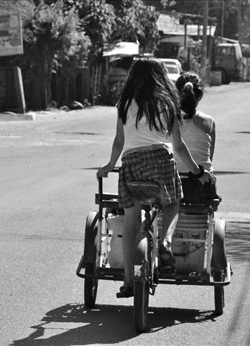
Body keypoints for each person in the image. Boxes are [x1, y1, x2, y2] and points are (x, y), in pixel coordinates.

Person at [96, 59, 213, 298]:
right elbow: (178, 146)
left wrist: (109, 165)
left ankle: (128, 280)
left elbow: (119, 141)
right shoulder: (169, 103)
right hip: (160, 161)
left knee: (131, 222)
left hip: (132, 163)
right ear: (161, 78)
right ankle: (166, 243)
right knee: (171, 203)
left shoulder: (124, 103)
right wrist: (198, 172)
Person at [174, 71, 227, 280]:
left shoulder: (168, 120)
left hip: (174, 185)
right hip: (200, 188)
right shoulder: (209, 121)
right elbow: (208, 160)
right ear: (199, 96)